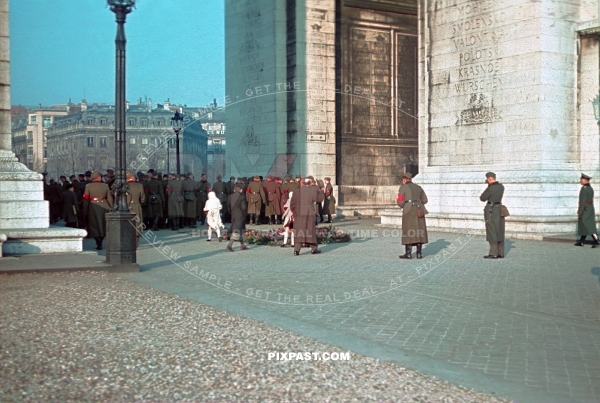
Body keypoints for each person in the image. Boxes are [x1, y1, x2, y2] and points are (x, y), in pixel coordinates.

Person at [397, 172, 428, 259]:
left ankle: (408, 253)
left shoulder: (403, 188)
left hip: (408, 209)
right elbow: (425, 200)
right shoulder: (418, 187)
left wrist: (403, 205)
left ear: (404, 180)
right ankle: (419, 254)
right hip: (419, 210)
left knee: (408, 229)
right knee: (419, 229)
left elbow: (400, 201)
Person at [290, 178, 324, 255]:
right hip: (309, 215)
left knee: (299, 232)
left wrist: (295, 213)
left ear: (302, 184)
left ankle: (296, 251)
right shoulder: (312, 191)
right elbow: (319, 199)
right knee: (310, 231)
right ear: (309, 184)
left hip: (299, 215)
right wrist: (321, 191)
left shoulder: (296, 192)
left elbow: (292, 204)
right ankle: (313, 249)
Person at [83, 171, 113, 250]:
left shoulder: (88, 186)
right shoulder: (105, 186)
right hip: (104, 205)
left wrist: (84, 210)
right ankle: (101, 239)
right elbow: (109, 197)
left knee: (94, 224)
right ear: (98, 177)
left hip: (92, 206)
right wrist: (111, 207)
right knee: (103, 224)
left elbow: (86, 199)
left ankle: (98, 242)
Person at [479, 171, 505, 259]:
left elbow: (483, 198)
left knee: (491, 230)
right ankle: (500, 253)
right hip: (499, 209)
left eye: (488, 180)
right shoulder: (501, 187)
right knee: (499, 229)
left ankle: (493, 253)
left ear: (490, 179)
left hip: (491, 210)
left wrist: (488, 187)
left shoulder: (490, 188)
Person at [575, 173, 599, 248]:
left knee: (587, 224)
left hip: (585, 209)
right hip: (589, 208)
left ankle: (597, 240)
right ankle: (582, 242)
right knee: (584, 224)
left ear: (585, 180)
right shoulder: (590, 188)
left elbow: (582, 202)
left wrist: (580, 212)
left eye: (581, 179)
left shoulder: (584, 190)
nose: (580, 180)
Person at [226, 184, 249, 251]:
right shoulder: (242, 197)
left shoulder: (230, 197)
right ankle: (229, 245)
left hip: (233, 215)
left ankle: (242, 245)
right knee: (237, 230)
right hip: (240, 215)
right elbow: (244, 208)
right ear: (241, 190)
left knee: (240, 230)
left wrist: (231, 213)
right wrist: (244, 214)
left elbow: (228, 207)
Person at [126, 172, 145, 248]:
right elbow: (143, 198)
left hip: (126, 207)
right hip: (136, 206)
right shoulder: (139, 186)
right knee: (137, 224)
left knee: (127, 224)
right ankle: (136, 243)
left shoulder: (124, 186)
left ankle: (128, 242)